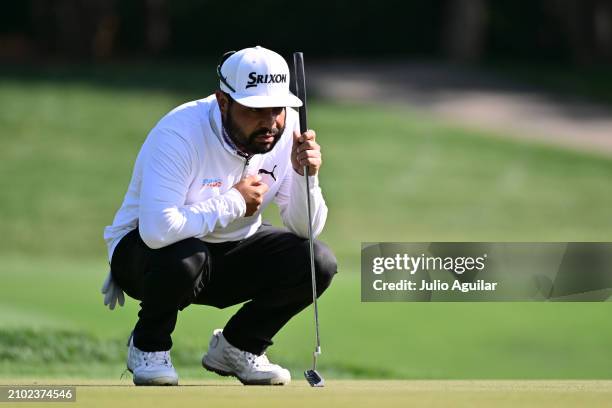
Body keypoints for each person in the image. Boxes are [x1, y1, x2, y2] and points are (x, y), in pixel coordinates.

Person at [101, 46, 337, 386]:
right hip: (148, 256)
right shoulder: (180, 133)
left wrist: (305, 176)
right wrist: (233, 203)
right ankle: (148, 346)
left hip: (231, 251)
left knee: (317, 261)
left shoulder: (288, 132)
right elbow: (156, 230)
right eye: (256, 110)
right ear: (223, 101)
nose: (270, 122)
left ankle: (238, 347)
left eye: (277, 109)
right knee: (186, 256)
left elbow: (305, 228)